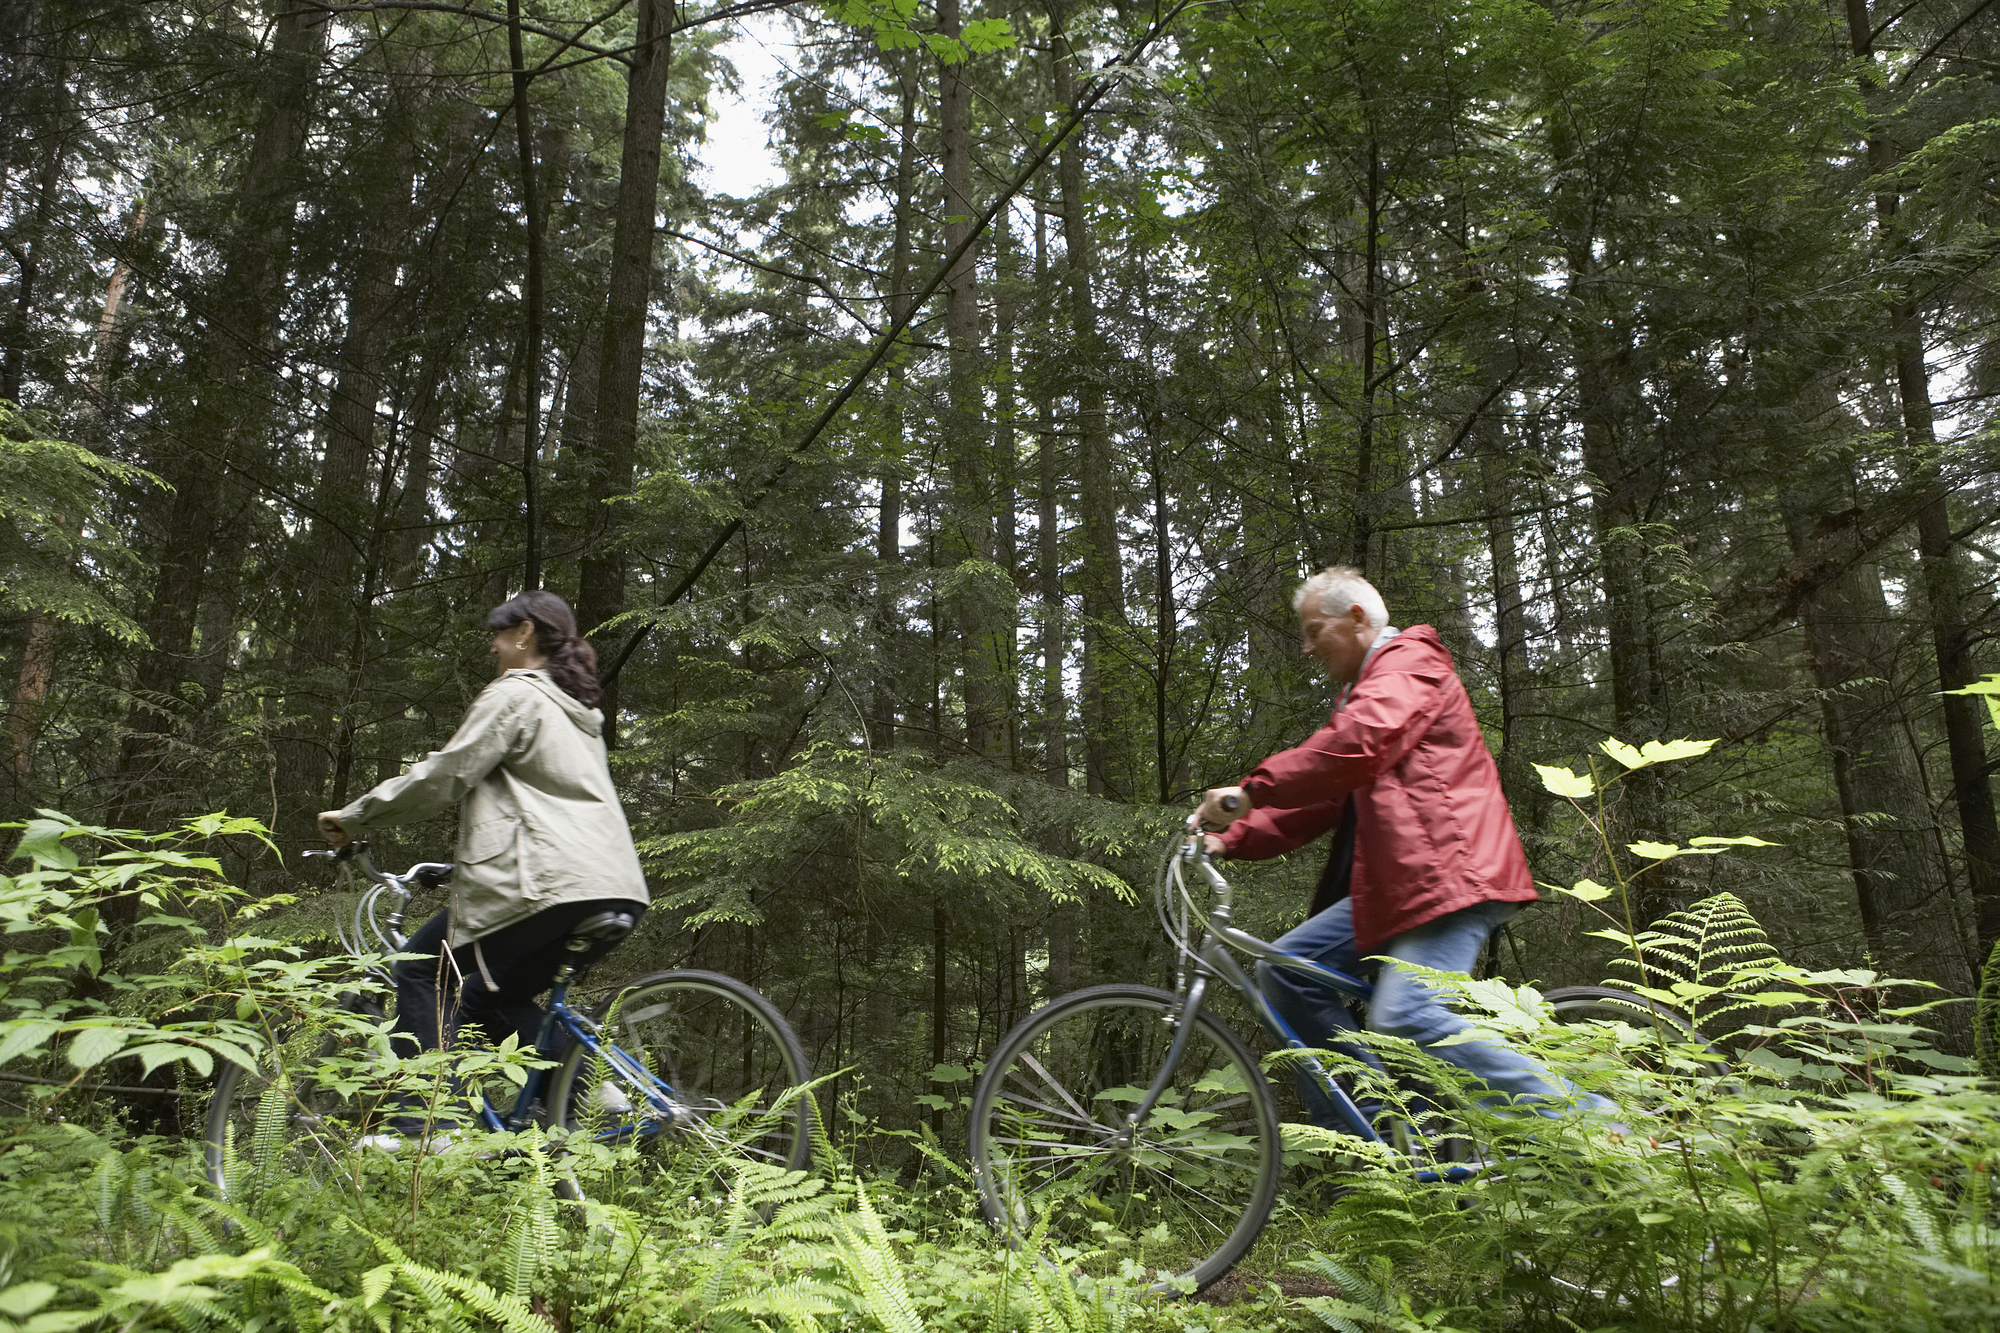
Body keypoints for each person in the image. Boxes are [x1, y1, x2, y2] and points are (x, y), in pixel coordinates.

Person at [1191, 566, 1614, 1126]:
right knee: (1288, 972)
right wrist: (1231, 838)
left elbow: (1359, 744)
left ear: (1359, 618)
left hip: (1451, 876)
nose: (1307, 647)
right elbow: (1327, 798)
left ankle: (1609, 1129)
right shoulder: (1363, 695)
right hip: (1401, 886)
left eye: (1316, 630)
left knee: (1407, 1016)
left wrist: (1249, 791)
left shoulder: (1409, 666)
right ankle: (1378, 1142)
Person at [317, 591, 650, 1110]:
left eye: (499, 633)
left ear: (524, 633)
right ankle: (593, 1094)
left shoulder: (517, 694)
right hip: (615, 888)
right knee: (488, 995)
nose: (493, 646)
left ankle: (429, 1128)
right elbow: (549, 805)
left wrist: (356, 816)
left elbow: (446, 774)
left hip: (549, 885)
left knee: (418, 968)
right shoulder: (580, 718)